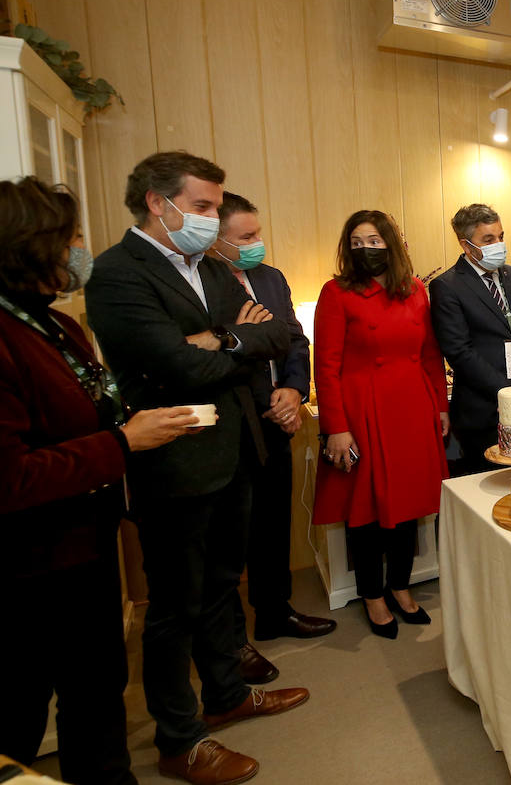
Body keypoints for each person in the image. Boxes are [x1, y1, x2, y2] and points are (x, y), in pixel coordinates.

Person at [85, 151, 308, 785]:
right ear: (160, 202)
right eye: (204, 207)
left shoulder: (206, 266)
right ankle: (179, 739)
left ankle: (226, 693)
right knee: (175, 605)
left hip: (234, 450)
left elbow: (279, 336)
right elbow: (178, 368)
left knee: (220, 586)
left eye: (215, 207)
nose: (212, 219)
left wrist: (221, 340)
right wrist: (230, 342)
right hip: (174, 460)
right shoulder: (118, 274)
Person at [0, 178, 198, 785]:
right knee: (18, 713)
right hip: (27, 568)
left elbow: (94, 410)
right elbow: (9, 478)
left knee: (97, 694)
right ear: (31, 246)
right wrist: (121, 442)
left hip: (86, 548)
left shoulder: (59, 326)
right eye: (72, 237)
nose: (82, 248)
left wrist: (138, 433)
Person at [210, 193, 336, 673]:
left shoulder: (271, 278)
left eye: (257, 234)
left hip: (281, 416)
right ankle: (232, 643)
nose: (256, 244)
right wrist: (268, 401)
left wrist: (294, 391)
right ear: (217, 241)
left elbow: (295, 339)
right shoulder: (205, 286)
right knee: (231, 539)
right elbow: (215, 355)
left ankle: (274, 612)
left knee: (272, 522)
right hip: (237, 425)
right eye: (245, 238)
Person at [313, 210, 447, 638]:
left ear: (391, 243)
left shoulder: (415, 291)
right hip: (361, 412)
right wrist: (336, 426)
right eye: (356, 241)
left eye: (373, 240)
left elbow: (429, 355)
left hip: (410, 407)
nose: (365, 249)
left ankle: (401, 586)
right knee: (365, 511)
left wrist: (439, 408)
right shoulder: (336, 293)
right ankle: (372, 594)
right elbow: (326, 366)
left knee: (407, 506)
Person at [429, 203, 511, 476]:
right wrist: (507, 390)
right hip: (482, 410)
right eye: (488, 239)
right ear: (466, 245)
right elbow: (459, 351)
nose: (499, 245)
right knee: (487, 491)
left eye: (501, 236)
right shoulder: (447, 286)